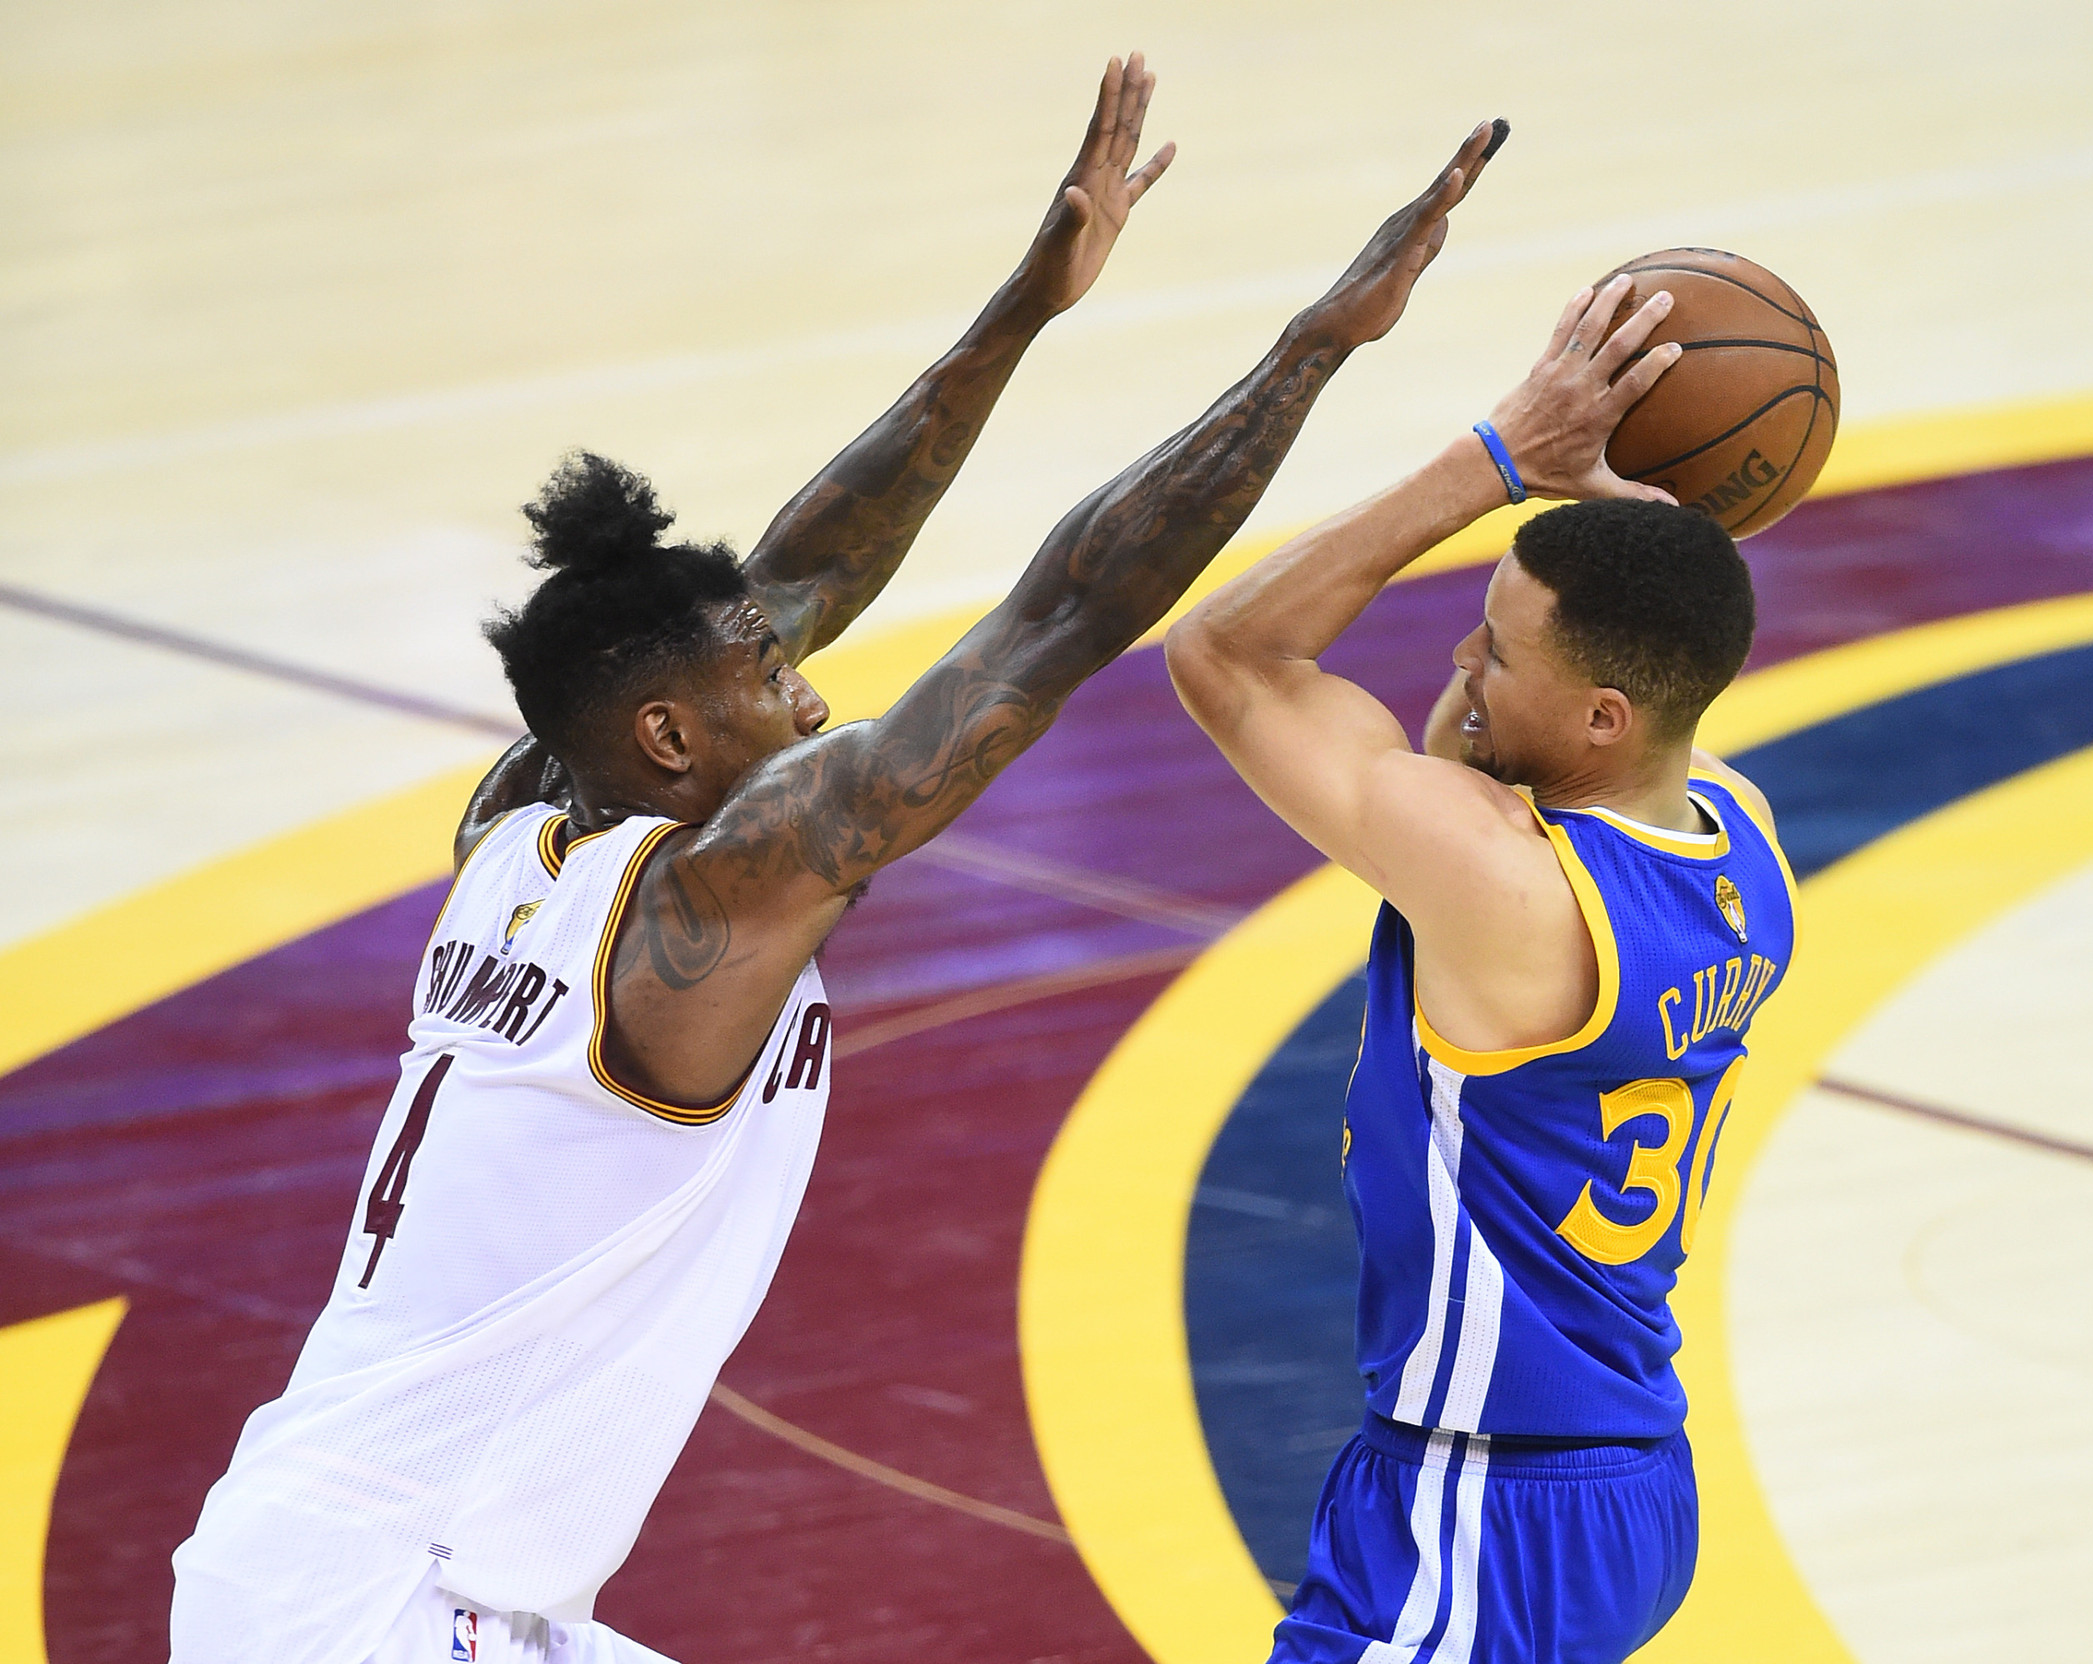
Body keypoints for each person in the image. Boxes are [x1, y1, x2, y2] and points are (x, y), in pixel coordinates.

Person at [169, 48, 1509, 1663]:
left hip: (378, 1566)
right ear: (671, 738)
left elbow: (802, 566)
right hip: (375, 1609)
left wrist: (1026, 309)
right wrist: (1314, 350)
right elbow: (1062, 617)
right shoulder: (709, 904)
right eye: (764, 669)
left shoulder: (529, 818)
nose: (808, 680)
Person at [1165, 273, 1798, 1661]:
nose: (1459, 659)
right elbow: (1509, 735)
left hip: (1486, 1499)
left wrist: (1499, 464)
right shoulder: (1745, 845)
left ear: (1601, 715)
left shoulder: (1507, 887)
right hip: (1628, 1475)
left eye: (1494, 650)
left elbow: (1227, 658)